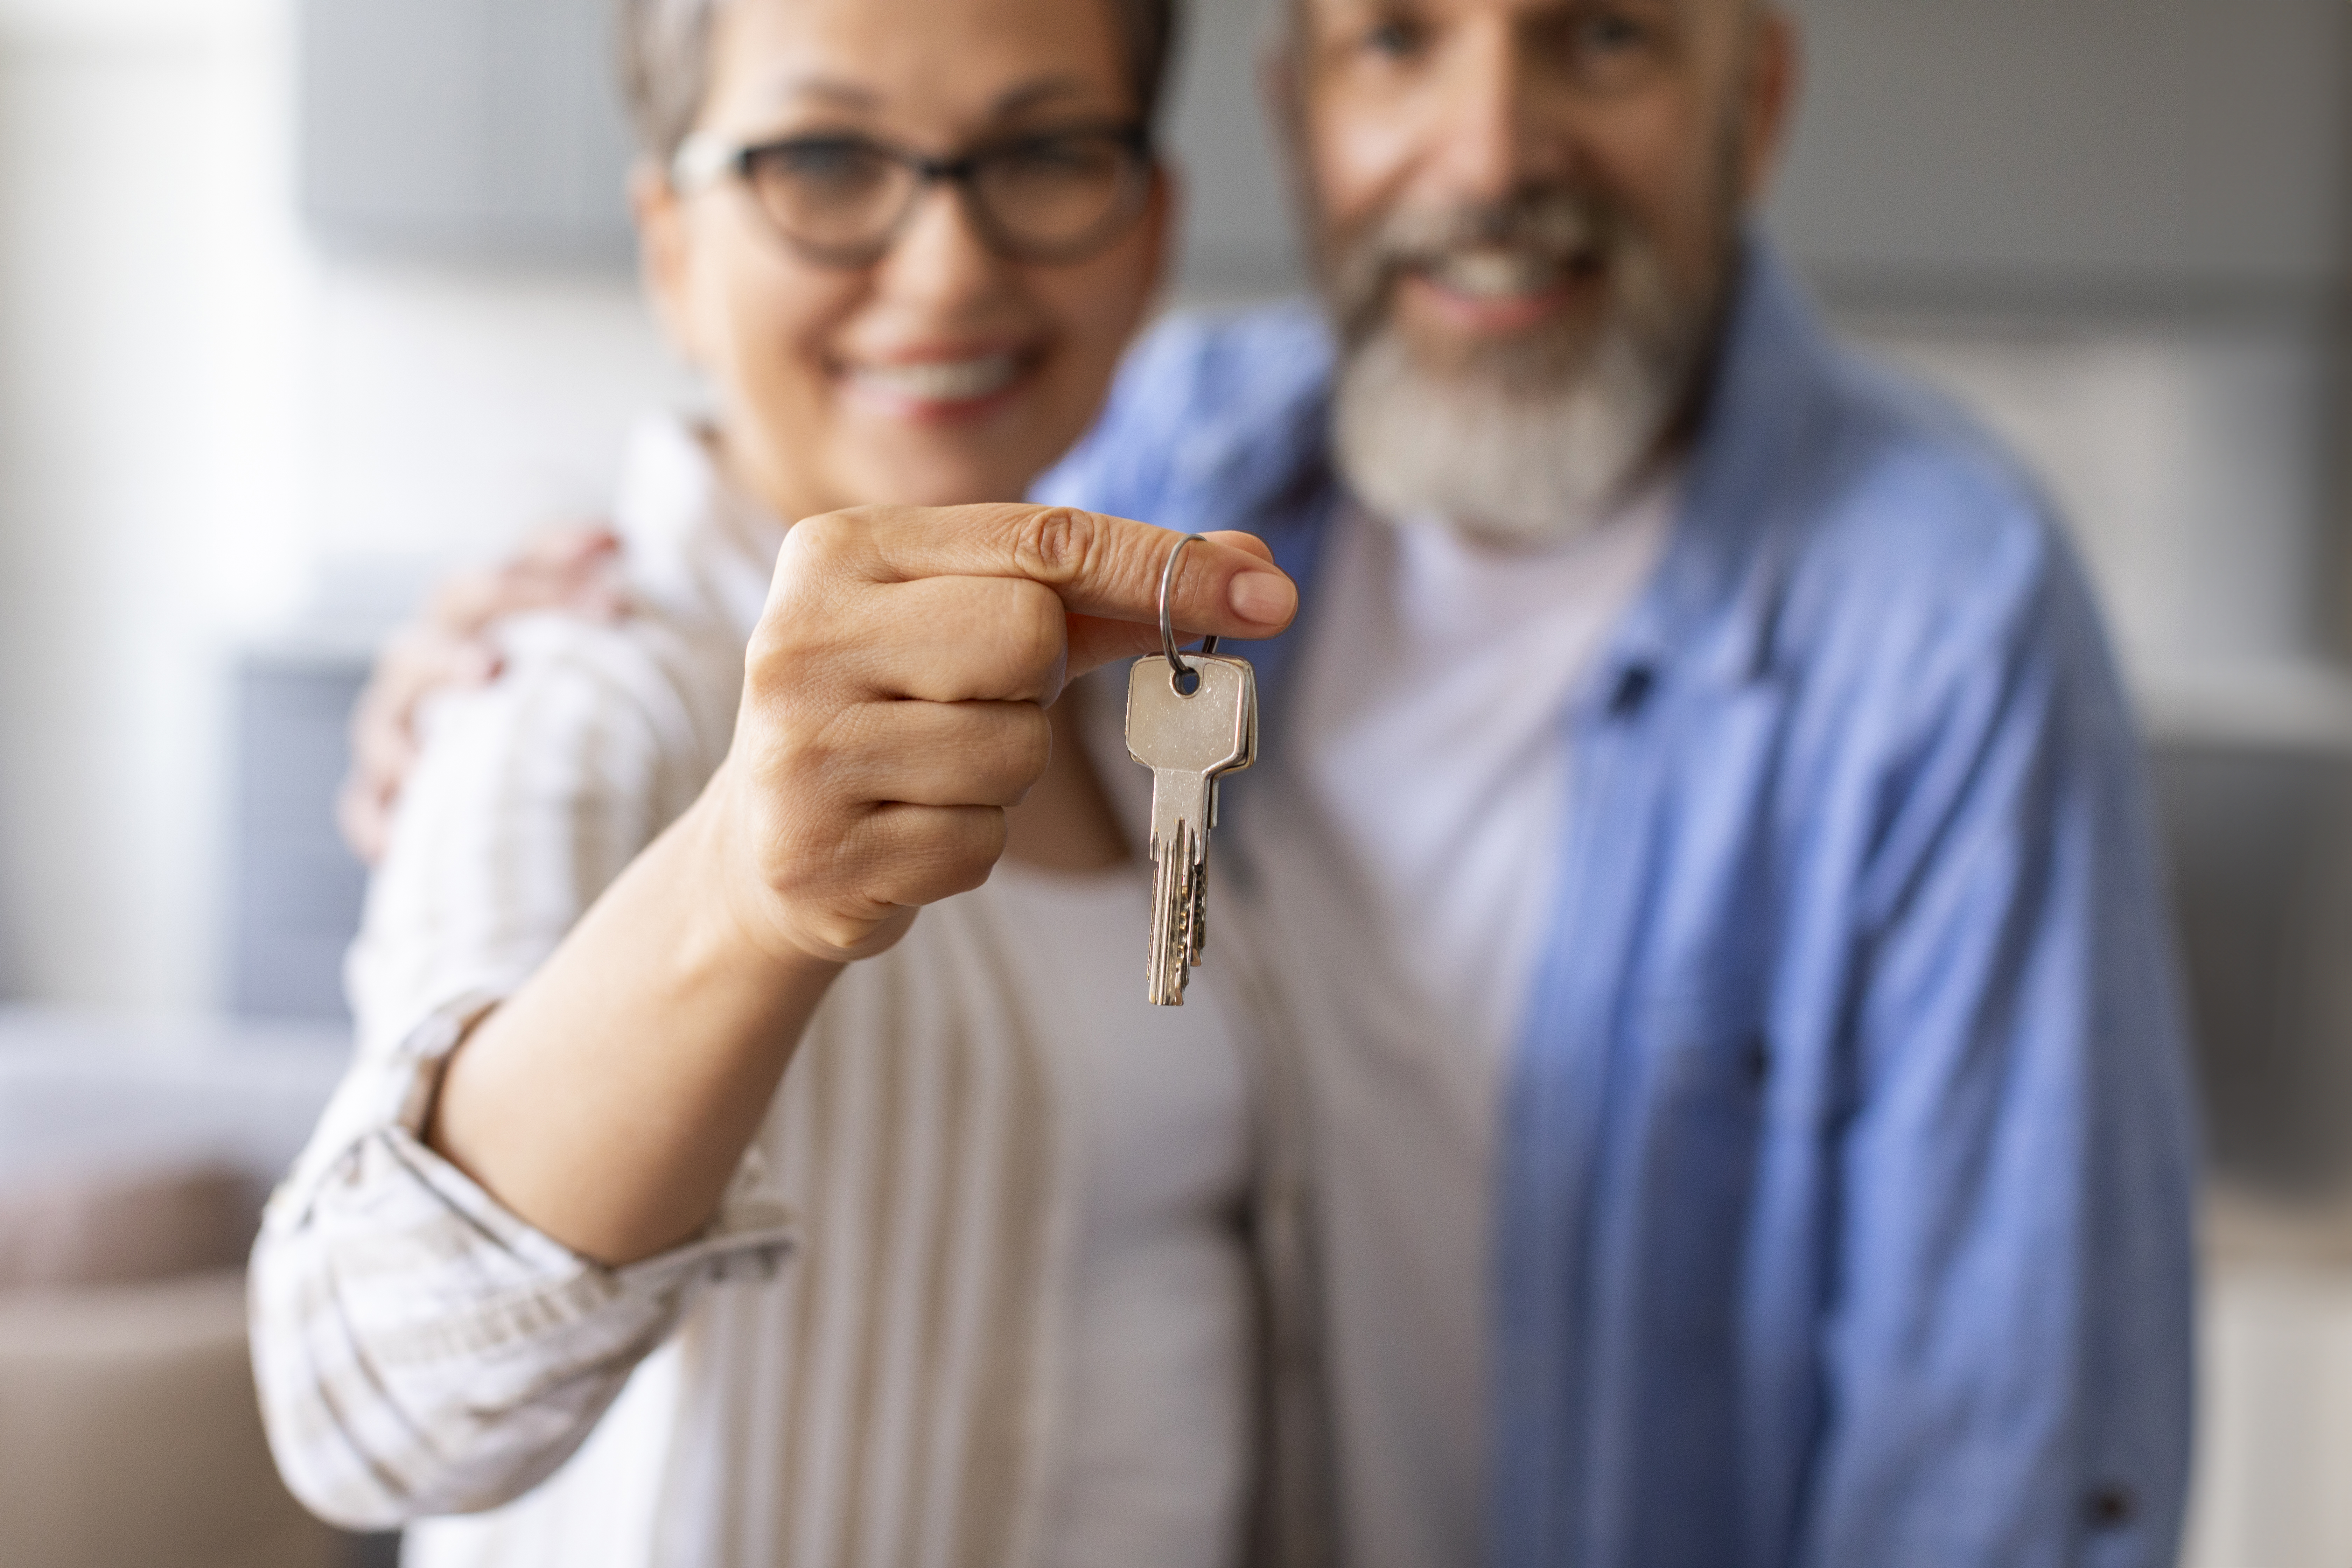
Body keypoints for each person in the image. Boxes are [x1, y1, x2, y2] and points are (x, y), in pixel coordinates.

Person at [339, 0, 2203, 1564]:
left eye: (1605, 38)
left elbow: (2009, 1451)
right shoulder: (1187, 463)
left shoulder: (1943, 618)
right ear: (1298, 108)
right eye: (1395, 40)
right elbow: (821, 513)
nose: (1487, 152)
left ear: (1755, 100)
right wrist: (513, 667)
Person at [251, 1, 1319, 1566]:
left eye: (1043, 153)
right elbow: (369, 1404)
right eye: (823, 158)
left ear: (1151, 224)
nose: (951, 265)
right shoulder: (570, 685)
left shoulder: (1156, 656)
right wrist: (741, 893)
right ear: (674, 242)